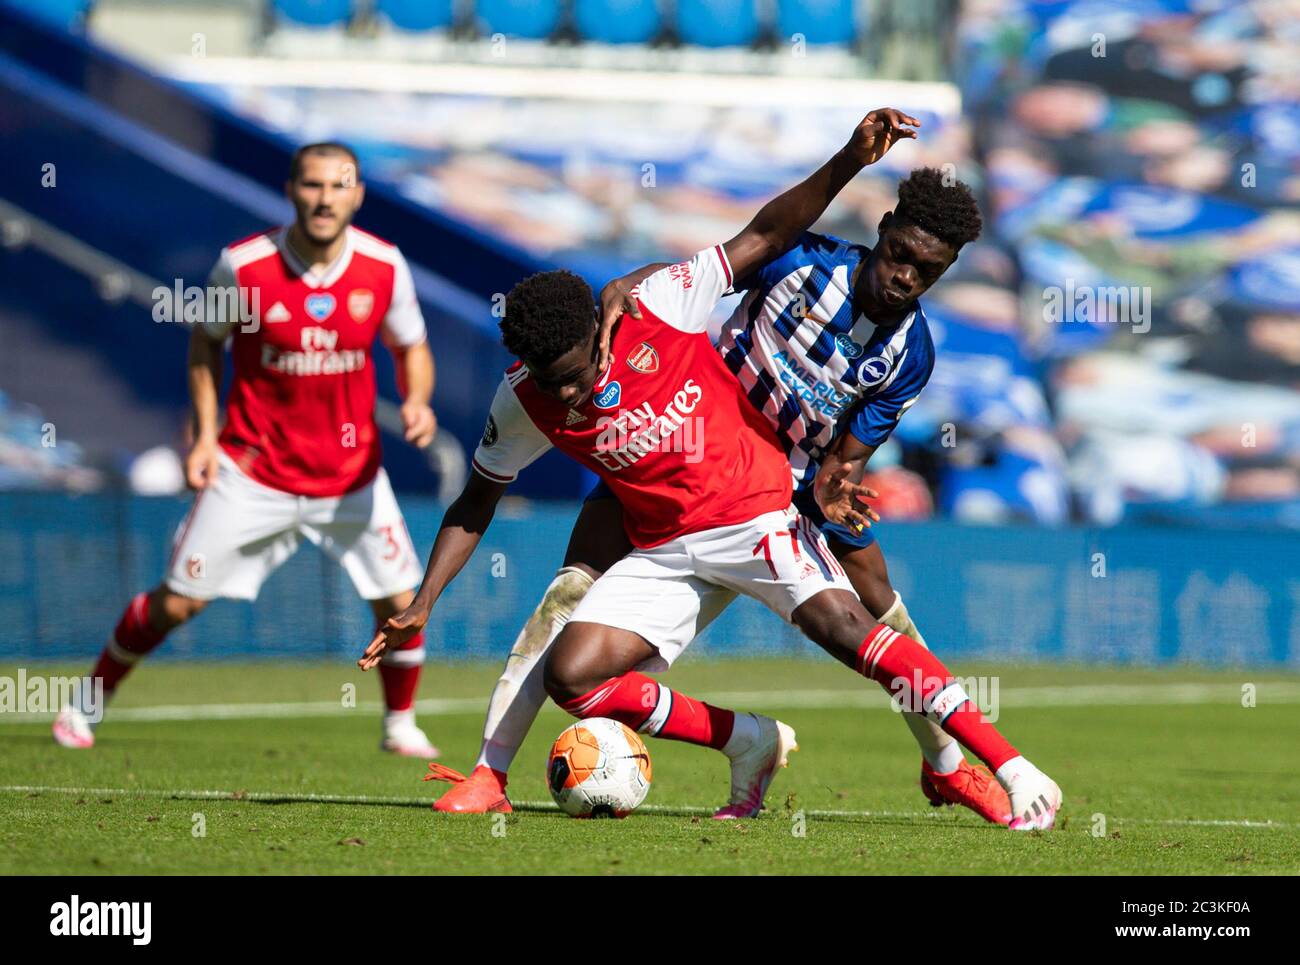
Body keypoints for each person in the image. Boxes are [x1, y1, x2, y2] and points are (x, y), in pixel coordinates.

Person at [362, 113, 1063, 829]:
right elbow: (754, 240)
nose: (906, 275)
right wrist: (631, 282)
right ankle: (490, 770)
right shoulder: (801, 266)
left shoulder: (911, 352)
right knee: (565, 600)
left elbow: (849, 453)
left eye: (929, 269)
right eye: (901, 254)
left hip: (779, 481)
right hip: (684, 449)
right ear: (882, 231)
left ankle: (947, 765)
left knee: (879, 610)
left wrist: (837, 482)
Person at [54, 142, 441, 758]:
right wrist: (205, 435)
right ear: (291, 190)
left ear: (358, 194)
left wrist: (417, 399)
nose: (324, 198)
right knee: (177, 603)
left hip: (352, 475)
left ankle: (399, 725)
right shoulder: (244, 267)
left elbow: (412, 346)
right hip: (254, 471)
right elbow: (206, 346)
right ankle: (84, 705)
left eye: (338, 186)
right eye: (312, 185)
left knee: (403, 600)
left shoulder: (384, 266)